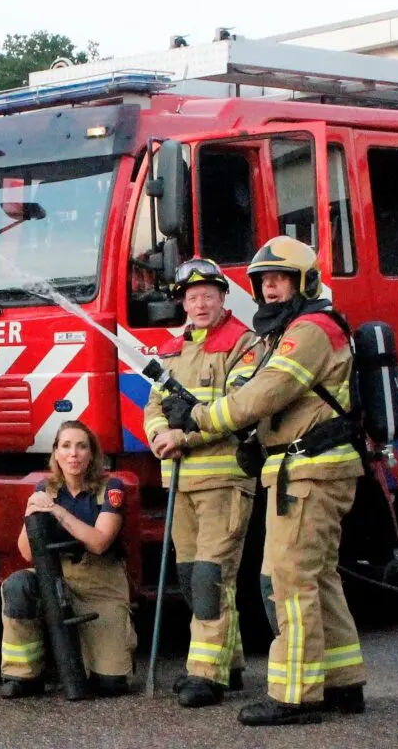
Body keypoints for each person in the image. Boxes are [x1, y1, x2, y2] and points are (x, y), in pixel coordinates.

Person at [164, 236, 367, 726]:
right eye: (264, 281)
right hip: (306, 468)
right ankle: (342, 682)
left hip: (309, 472)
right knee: (319, 578)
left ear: (306, 282)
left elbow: (265, 394)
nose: (271, 289)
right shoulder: (296, 328)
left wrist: (200, 417)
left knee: (287, 582)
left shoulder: (311, 329)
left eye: (281, 279)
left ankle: (295, 695)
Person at [142, 258, 261, 707]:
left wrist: (184, 437)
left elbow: (240, 408)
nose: (200, 304)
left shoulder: (243, 344)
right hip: (180, 483)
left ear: (223, 298)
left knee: (212, 576)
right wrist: (159, 435)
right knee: (191, 577)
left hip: (224, 480)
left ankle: (206, 675)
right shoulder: (172, 350)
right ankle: (228, 663)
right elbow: (153, 405)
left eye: (208, 295)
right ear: (183, 303)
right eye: (192, 297)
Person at [0, 420, 134, 700]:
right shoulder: (45, 489)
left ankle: (85, 660)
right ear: (56, 453)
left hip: (100, 584)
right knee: (18, 585)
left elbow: (99, 543)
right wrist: (31, 513)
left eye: (81, 447)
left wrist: (58, 512)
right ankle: (23, 676)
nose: (73, 454)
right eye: (66, 446)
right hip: (57, 575)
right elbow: (26, 552)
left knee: (111, 684)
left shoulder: (111, 488)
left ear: (92, 454)